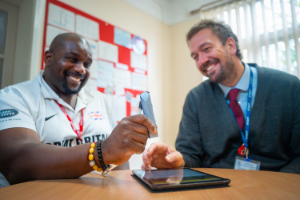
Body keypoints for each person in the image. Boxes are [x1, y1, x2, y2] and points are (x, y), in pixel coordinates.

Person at [142, 20, 300, 174]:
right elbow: (191, 156)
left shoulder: (289, 87)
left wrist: (279, 188)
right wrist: (175, 161)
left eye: (206, 49)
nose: (202, 60)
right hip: (216, 189)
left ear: (231, 46)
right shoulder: (195, 98)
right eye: (195, 57)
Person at [0, 33, 157, 187]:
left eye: (87, 64)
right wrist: (101, 152)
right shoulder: (13, 97)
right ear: (48, 58)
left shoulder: (99, 99)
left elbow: (119, 157)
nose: (81, 69)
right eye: (72, 59)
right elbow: (17, 161)